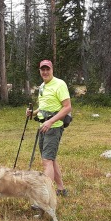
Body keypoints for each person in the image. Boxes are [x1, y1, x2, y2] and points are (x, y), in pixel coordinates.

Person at [26, 59, 71, 196]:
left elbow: (67, 107)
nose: (45, 72)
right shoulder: (42, 86)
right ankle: (61, 189)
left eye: (47, 69)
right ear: (40, 71)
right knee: (51, 159)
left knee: (46, 161)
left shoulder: (59, 84)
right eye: (42, 69)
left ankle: (46, 196)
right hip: (43, 126)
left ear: (52, 70)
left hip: (54, 127)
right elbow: (44, 106)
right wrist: (32, 113)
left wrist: (50, 121)